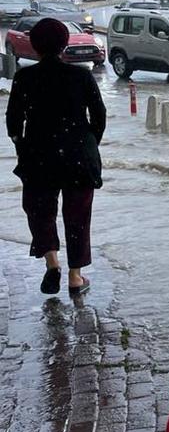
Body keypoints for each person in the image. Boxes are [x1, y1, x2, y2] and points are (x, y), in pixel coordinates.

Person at [6, 18, 106, 296]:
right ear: (64, 45)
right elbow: (99, 116)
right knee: (78, 216)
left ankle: (52, 264)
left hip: (38, 156)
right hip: (78, 158)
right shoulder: (81, 76)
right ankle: (75, 277)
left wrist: (21, 145)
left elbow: (13, 120)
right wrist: (89, 144)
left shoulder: (25, 78)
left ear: (35, 46)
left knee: (40, 212)